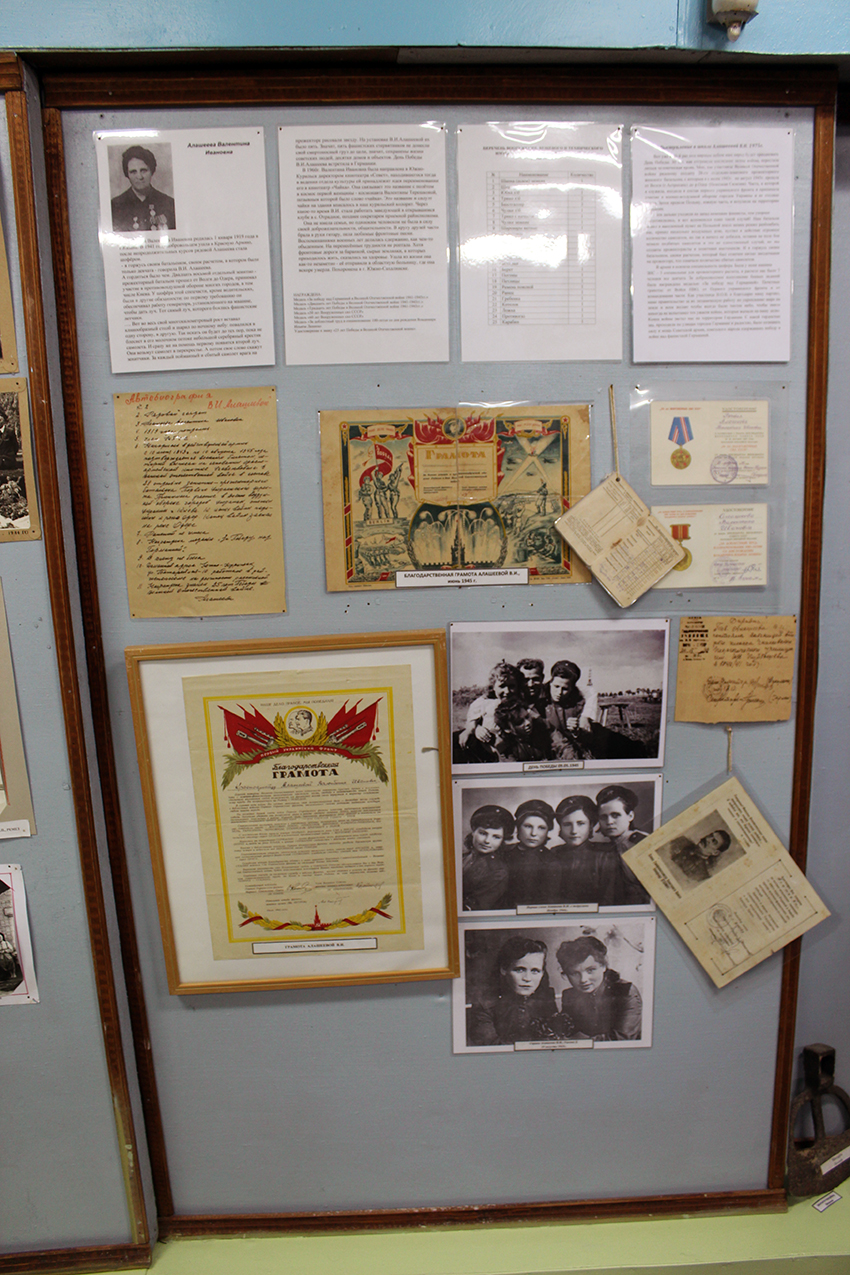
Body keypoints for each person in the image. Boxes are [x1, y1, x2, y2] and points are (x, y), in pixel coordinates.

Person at [467, 935, 562, 1046]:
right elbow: (491, 1047)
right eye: (519, 970)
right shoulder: (484, 1004)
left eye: (535, 971)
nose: (527, 978)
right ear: (504, 969)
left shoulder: (546, 997)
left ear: (542, 973)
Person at [556, 935, 642, 1041]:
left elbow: (622, 1039)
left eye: (590, 970)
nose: (583, 980)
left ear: (604, 966)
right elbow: (567, 1031)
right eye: (574, 973)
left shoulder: (626, 992)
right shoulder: (569, 995)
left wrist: (582, 1041)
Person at [552, 795, 625, 906]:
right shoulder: (554, 853)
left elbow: (609, 899)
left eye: (581, 824)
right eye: (567, 824)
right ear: (560, 827)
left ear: (590, 826)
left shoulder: (605, 854)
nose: (574, 831)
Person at [454, 662, 525, 764]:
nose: (507, 691)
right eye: (502, 686)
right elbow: (471, 722)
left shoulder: (520, 703)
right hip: (484, 747)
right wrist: (475, 729)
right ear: (493, 686)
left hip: (509, 750)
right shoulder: (484, 703)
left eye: (512, 686)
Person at [595, 784, 651, 905]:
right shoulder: (610, 846)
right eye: (603, 817)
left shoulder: (641, 843)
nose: (609, 822)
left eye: (615, 815)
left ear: (630, 816)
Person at [504, 798, 560, 907]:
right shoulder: (504, 851)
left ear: (547, 831)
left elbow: (547, 903)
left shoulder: (551, 862)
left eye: (541, 828)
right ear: (518, 828)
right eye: (528, 826)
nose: (533, 833)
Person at [111, 145, 176, 232]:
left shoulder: (168, 204)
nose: (139, 177)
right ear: (127, 175)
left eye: (143, 171)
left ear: (152, 171)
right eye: (133, 172)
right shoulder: (115, 206)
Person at [462, 805, 514, 911]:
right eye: (483, 833)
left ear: (502, 840)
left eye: (496, 837)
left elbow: (472, 908)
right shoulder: (464, 857)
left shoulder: (498, 872)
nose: (487, 841)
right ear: (473, 831)